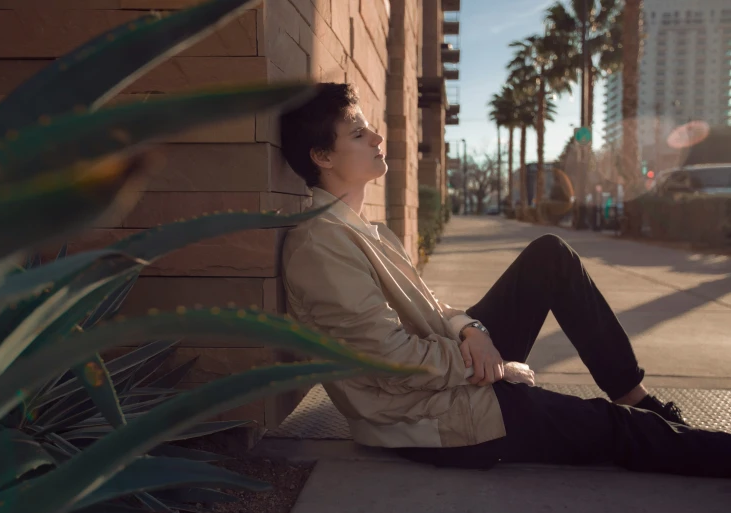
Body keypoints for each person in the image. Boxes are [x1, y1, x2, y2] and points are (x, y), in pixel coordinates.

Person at [278, 83, 731, 478]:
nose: (377, 137)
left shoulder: (367, 230)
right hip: (430, 418)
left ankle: (637, 396)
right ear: (322, 156)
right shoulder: (321, 245)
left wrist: (470, 329)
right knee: (617, 429)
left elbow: (429, 304)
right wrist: (492, 369)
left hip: (447, 374)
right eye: (358, 134)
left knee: (550, 255)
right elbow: (387, 359)